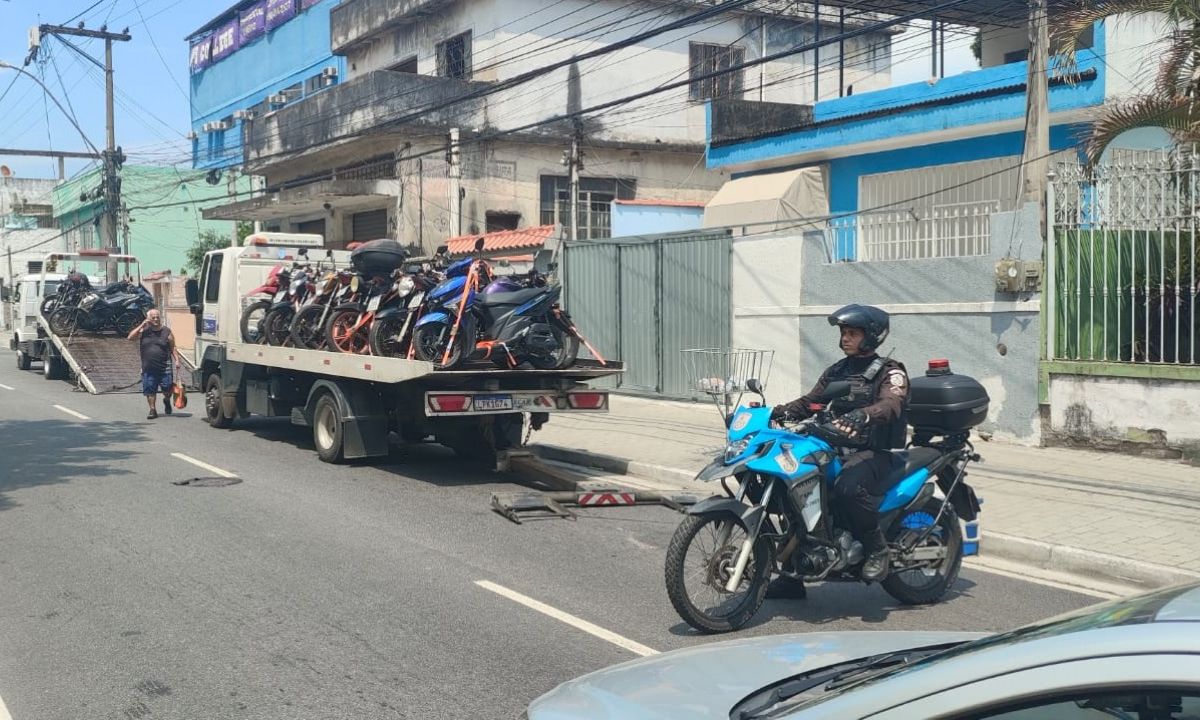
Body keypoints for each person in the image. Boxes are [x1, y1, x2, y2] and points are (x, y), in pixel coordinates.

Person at [768, 304, 909, 595]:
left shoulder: (890, 372)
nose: (845, 338)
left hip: (873, 452)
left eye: (853, 333)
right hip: (833, 446)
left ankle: (877, 550)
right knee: (793, 488)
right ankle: (793, 575)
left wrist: (864, 414)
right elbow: (809, 401)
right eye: (844, 333)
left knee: (847, 487)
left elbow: (891, 404)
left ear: (871, 336)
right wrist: (775, 413)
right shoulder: (837, 370)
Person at [127, 309, 176, 420]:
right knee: (150, 389)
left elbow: (173, 347)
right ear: (148, 318)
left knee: (168, 388)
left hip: (165, 366)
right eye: (153, 317)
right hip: (148, 367)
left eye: (157, 317)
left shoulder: (166, 331)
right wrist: (142, 325)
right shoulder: (144, 330)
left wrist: (177, 361)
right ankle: (152, 410)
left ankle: (167, 399)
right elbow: (130, 338)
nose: (155, 319)